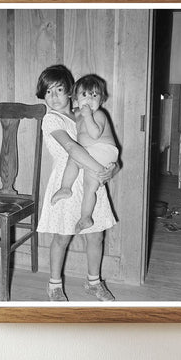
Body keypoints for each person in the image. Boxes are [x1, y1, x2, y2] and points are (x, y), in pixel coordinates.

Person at [35, 64, 118, 302]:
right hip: (67, 180)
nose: (54, 96)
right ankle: (54, 285)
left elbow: (108, 145)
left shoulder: (84, 112)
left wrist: (111, 169)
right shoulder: (51, 120)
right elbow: (72, 147)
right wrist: (99, 168)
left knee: (95, 235)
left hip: (92, 178)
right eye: (48, 91)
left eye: (59, 90)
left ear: (70, 91)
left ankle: (94, 283)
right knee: (62, 236)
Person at [51, 74, 119, 234]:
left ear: (102, 100)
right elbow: (66, 114)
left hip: (103, 150)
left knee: (74, 157)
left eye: (94, 95)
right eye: (84, 95)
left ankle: (65, 187)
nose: (89, 99)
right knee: (90, 186)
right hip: (93, 155)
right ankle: (86, 217)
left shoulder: (99, 115)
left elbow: (95, 134)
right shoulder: (76, 114)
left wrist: (88, 116)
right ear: (75, 98)